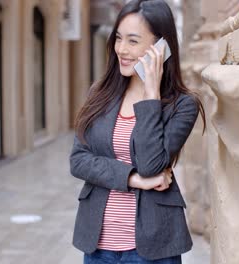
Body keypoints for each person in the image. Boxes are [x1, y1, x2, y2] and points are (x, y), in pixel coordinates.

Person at [70, 0, 205, 263]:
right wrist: (134, 179)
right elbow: (78, 161)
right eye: (119, 38)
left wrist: (151, 95)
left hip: (151, 247)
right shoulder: (100, 93)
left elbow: (151, 165)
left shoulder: (182, 105)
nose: (121, 49)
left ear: (160, 47)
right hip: (98, 246)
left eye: (133, 41)